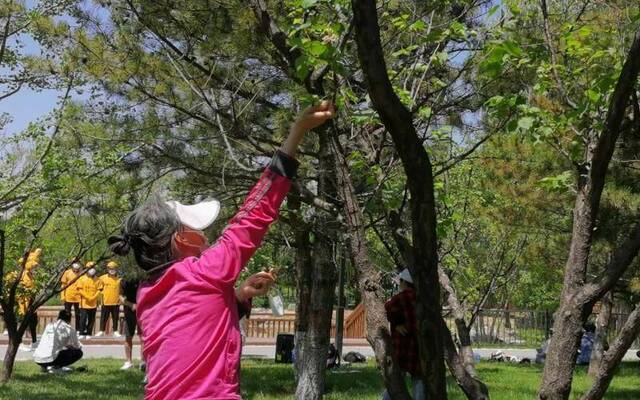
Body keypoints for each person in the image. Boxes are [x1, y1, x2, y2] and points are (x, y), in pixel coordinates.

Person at [107, 102, 334, 399]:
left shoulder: (149, 292)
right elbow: (254, 214)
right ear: (180, 241)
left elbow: (193, 323)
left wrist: (238, 296)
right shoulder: (205, 272)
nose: (205, 233)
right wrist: (296, 133)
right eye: (196, 228)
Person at [382, 268, 424, 400]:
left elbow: (387, 307)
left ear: (404, 282)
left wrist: (397, 322)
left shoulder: (400, 298)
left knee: (396, 380)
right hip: (419, 346)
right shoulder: (423, 299)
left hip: (402, 345)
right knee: (419, 379)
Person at [33, 309, 83, 374]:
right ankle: (56, 368)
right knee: (78, 352)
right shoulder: (69, 329)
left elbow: (51, 341)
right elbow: (78, 346)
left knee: (52, 350)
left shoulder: (49, 326)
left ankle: (44, 367)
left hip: (37, 359)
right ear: (69, 319)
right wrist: (71, 347)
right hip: (51, 359)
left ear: (58, 317)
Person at [17, 250, 42, 352]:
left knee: (33, 323)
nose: (35, 268)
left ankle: (34, 342)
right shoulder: (22, 274)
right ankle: (19, 342)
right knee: (23, 323)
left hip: (32, 303)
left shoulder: (31, 275)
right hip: (24, 304)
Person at [119, 277, 144, 371]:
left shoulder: (143, 278)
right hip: (129, 311)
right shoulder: (123, 281)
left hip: (142, 310)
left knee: (143, 337)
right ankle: (128, 362)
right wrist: (131, 305)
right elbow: (120, 297)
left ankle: (143, 362)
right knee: (128, 336)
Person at [96, 261, 122, 337]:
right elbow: (99, 289)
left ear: (116, 269)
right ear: (107, 269)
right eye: (110, 268)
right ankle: (101, 331)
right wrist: (98, 300)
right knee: (103, 317)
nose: (112, 270)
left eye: (113, 268)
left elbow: (121, 291)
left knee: (115, 318)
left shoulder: (119, 279)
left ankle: (115, 331)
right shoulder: (102, 278)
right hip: (105, 302)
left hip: (116, 302)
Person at [77, 262, 100, 339]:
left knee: (91, 319)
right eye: (90, 268)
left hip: (93, 303)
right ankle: (81, 333)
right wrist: (87, 297)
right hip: (84, 303)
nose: (92, 269)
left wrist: (94, 297)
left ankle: (89, 333)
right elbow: (80, 290)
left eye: (93, 267)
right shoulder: (82, 278)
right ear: (86, 269)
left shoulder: (97, 279)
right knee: (83, 319)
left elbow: (99, 290)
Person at [60, 260, 82, 332]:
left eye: (78, 262)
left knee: (78, 314)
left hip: (79, 297)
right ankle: (66, 328)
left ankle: (78, 329)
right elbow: (63, 285)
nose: (76, 264)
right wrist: (62, 296)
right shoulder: (67, 273)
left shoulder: (82, 273)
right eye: (74, 262)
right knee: (67, 313)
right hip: (68, 296)